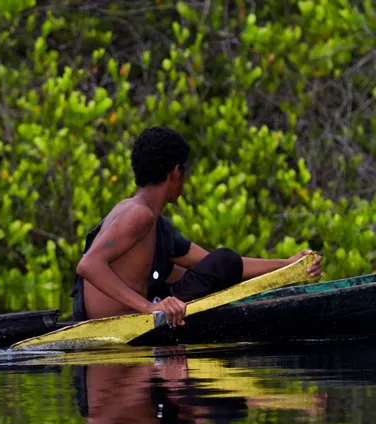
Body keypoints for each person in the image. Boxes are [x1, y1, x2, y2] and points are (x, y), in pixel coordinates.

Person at [71, 127, 323, 326]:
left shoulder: (155, 223)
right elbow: (88, 265)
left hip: (139, 313)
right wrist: (150, 308)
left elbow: (211, 264)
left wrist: (287, 265)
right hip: (118, 323)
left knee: (216, 264)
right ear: (176, 172)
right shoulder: (138, 213)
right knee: (222, 260)